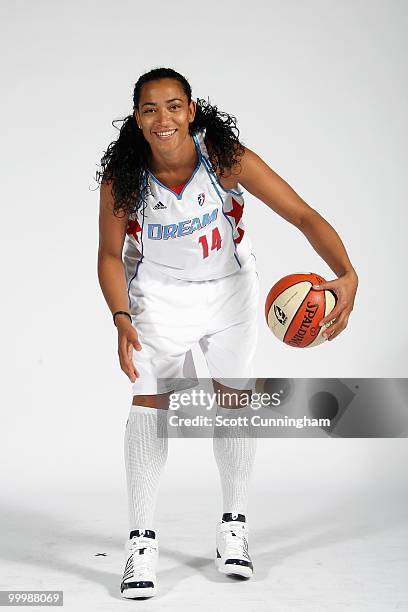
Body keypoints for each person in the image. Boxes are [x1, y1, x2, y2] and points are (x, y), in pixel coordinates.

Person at [96, 67, 358, 599]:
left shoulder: (224, 159)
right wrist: (121, 317)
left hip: (228, 291)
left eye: (173, 106)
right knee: (150, 401)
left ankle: (233, 528)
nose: (162, 118)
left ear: (191, 110)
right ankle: (140, 543)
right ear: (137, 119)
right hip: (157, 296)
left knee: (234, 400)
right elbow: (106, 255)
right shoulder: (124, 178)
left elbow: (303, 215)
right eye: (149, 109)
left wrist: (347, 273)